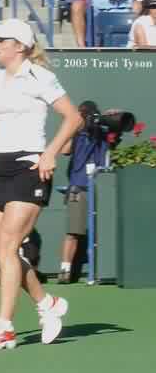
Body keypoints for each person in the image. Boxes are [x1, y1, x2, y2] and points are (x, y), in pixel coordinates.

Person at [0, 18, 82, 350]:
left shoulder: (39, 77)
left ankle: (4, 327)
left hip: (30, 167)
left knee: (8, 247)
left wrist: (50, 153)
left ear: (19, 45)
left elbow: (74, 118)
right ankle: (47, 304)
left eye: (1, 39)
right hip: (0, 168)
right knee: (3, 254)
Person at [57, 101, 109, 284]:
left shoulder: (102, 132)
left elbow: (120, 127)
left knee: (103, 231)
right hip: (79, 187)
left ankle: (102, 271)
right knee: (73, 232)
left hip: (101, 186)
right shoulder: (77, 134)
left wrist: (107, 119)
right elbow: (64, 150)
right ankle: (65, 270)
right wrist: (74, 129)